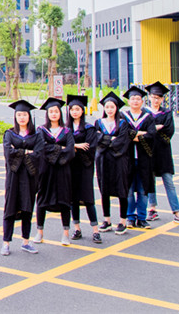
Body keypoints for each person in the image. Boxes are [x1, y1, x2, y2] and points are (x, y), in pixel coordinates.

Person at [145, 81, 179, 226]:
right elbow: (144, 130)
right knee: (150, 181)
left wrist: (152, 130)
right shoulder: (145, 113)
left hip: (163, 151)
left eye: (159, 97)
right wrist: (155, 129)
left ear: (162, 99)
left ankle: (177, 212)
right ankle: (152, 209)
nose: (156, 100)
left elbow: (169, 131)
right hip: (147, 150)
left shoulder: (167, 113)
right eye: (154, 97)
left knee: (169, 182)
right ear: (149, 97)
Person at [1, 100, 43, 256]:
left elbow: (39, 155)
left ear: (29, 116)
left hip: (29, 177)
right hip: (13, 177)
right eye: (19, 115)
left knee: (27, 208)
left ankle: (26, 241)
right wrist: (27, 152)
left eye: (24, 114)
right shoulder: (9, 133)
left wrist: (18, 150)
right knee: (10, 209)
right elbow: (8, 154)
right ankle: (6, 242)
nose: (22, 117)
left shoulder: (36, 135)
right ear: (15, 116)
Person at [33, 98, 76, 246]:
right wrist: (60, 149)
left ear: (60, 113)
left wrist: (53, 150)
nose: (53, 114)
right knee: (42, 200)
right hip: (46, 170)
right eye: (51, 111)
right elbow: (41, 148)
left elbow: (70, 150)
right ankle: (39, 232)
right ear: (47, 113)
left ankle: (65, 234)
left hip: (63, 170)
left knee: (65, 201)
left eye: (56, 111)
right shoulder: (41, 130)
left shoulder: (67, 131)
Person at [95, 92, 132, 235]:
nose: (109, 109)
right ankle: (107, 220)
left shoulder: (123, 123)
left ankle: (122, 221)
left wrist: (106, 140)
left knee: (122, 189)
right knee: (104, 189)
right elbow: (96, 139)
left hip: (119, 159)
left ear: (117, 108)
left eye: (112, 107)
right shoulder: (99, 122)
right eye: (107, 107)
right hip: (103, 160)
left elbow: (123, 141)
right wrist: (110, 139)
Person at [67, 94, 103, 244]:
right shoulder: (65, 128)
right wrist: (75, 146)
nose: (74, 112)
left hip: (85, 167)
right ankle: (77, 228)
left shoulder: (89, 128)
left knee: (88, 198)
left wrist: (71, 148)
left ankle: (95, 231)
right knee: (73, 199)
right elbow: (63, 146)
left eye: (77, 109)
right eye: (72, 109)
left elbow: (90, 147)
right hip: (69, 167)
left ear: (82, 111)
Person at [122, 86, 157, 229]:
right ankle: (130, 217)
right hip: (127, 159)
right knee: (129, 190)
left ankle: (142, 218)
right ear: (128, 101)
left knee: (143, 190)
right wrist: (140, 134)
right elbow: (123, 134)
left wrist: (134, 136)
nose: (135, 101)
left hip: (144, 159)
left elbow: (152, 135)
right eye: (133, 99)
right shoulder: (123, 117)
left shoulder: (148, 117)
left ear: (142, 101)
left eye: (138, 99)